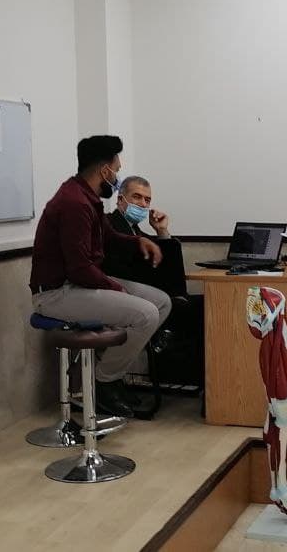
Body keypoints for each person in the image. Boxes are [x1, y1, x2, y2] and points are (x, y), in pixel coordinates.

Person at [29, 135, 170, 418]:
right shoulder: (74, 203)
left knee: (162, 302)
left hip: (77, 286)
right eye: (116, 170)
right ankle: (104, 381)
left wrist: (138, 241)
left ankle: (109, 375)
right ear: (104, 170)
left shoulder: (87, 198)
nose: (117, 177)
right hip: (56, 293)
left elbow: (108, 236)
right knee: (145, 314)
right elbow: (79, 269)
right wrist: (116, 288)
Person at [103, 176, 205, 389]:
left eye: (147, 200)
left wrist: (161, 231)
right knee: (191, 308)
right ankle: (176, 367)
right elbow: (121, 269)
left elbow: (164, 266)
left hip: (150, 295)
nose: (143, 204)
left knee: (204, 305)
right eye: (137, 197)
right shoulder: (110, 226)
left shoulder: (137, 231)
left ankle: (195, 376)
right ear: (120, 199)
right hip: (122, 296)